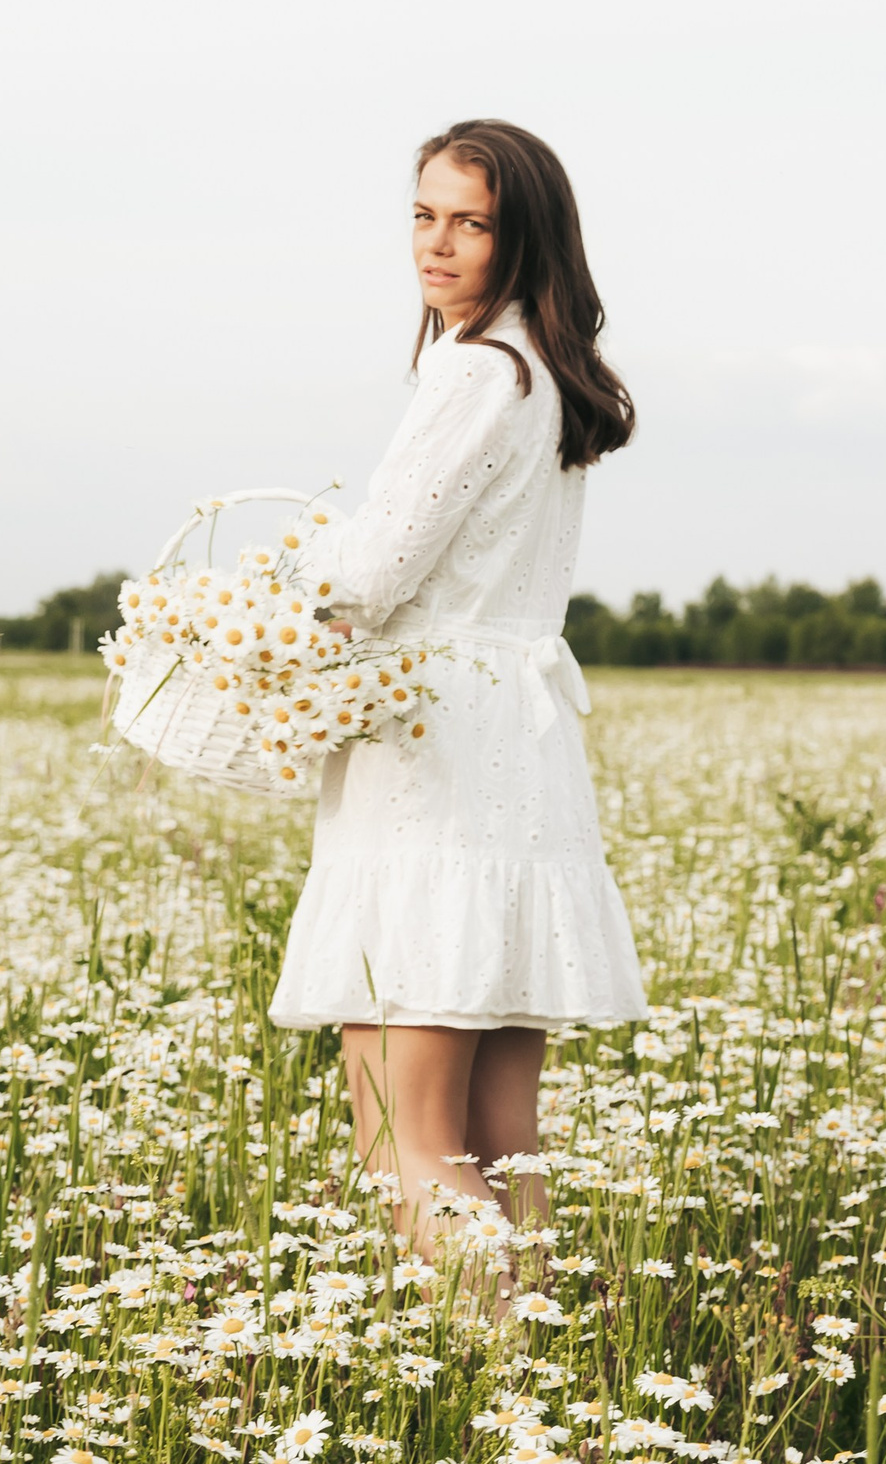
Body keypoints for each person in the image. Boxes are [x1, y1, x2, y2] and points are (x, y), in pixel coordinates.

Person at [268, 119, 647, 1300]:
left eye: (469, 221)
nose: (436, 244)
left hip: (435, 752)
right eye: (423, 214)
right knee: (500, 1141)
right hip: (514, 755)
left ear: (519, 232)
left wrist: (257, 590)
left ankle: (502, 1389)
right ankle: (556, 1378)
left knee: (406, 1143)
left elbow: (370, 575)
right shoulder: (543, 372)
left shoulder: (477, 367)